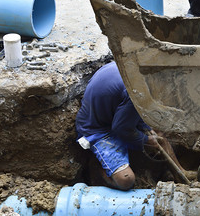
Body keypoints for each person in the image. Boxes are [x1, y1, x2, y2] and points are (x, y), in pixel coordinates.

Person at [76, 61, 188, 191]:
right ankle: (99, 168)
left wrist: (149, 131)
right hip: (96, 130)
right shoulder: (137, 92)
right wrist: (145, 140)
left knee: (158, 134)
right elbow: (121, 129)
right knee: (126, 180)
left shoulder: (135, 67)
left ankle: (180, 172)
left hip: (116, 114)